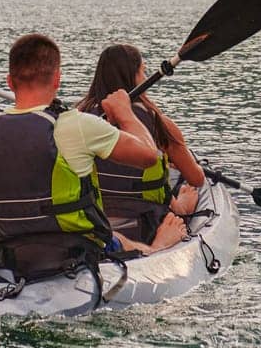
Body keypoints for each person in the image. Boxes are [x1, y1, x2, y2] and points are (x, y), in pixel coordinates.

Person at [0, 32, 161, 279]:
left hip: (5, 252)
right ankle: (158, 248)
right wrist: (125, 114)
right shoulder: (79, 126)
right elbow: (149, 156)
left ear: (10, 82)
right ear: (57, 79)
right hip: (74, 251)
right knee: (126, 242)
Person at [79, 43, 206, 254]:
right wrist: (181, 204)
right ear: (137, 76)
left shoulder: (79, 118)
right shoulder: (160, 125)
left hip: (93, 221)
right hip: (146, 225)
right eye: (142, 71)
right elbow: (197, 179)